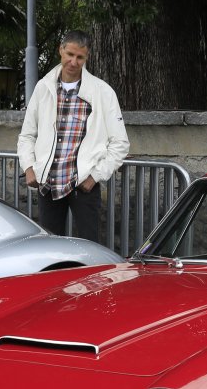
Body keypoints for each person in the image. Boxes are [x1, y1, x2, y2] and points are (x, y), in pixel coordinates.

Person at [18, 32, 130, 242]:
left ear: (87, 57)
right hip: (48, 183)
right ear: (60, 50)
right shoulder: (43, 87)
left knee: (90, 247)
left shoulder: (103, 92)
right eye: (70, 54)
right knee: (49, 248)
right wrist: (29, 167)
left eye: (80, 57)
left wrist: (95, 176)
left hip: (84, 184)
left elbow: (120, 143)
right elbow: (27, 134)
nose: (73, 62)